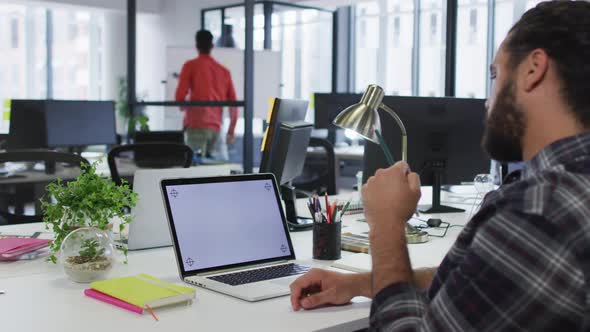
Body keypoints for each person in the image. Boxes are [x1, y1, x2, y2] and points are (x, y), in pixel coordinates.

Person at [290, 1, 590, 330]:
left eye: (495, 74)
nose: (488, 101)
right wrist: (362, 283)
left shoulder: (540, 211)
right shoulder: (566, 194)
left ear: (534, 69)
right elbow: (479, 283)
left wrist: (387, 226)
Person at [175, 30, 238, 158]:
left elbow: (179, 98)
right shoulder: (223, 71)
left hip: (196, 126)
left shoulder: (190, 66)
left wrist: (186, 107)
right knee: (217, 172)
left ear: (197, 45)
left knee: (195, 172)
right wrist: (231, 131)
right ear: (212, 46)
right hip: (216, 128)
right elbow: (234, 105)